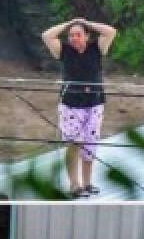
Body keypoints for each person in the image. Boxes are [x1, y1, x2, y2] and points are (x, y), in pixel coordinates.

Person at [40, 18, 117, 198]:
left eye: (78, 35)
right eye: (71, 35)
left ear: (87, 36)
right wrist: (69, 23)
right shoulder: (63, 51)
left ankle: (87, 183)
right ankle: (74, 185)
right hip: (71, 105)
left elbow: (111, 31)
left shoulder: (97, 47)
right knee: (74, 143)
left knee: (90, 144)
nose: (74, 38)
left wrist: (86, 23)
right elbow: (46, 35)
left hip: (95, 103)